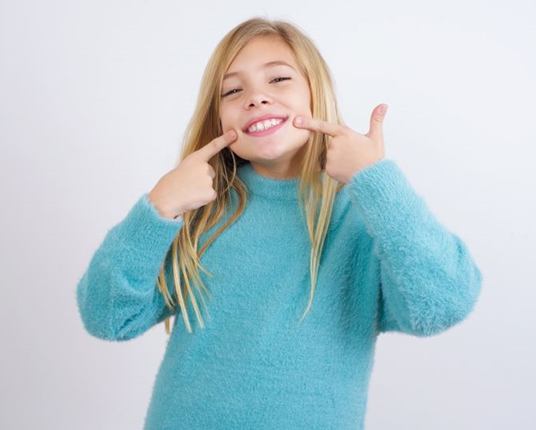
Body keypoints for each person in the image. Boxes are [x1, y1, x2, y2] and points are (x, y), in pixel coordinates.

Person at [76, 16, 483, 430]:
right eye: (233, 90)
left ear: (315, 94)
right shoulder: (202, 210)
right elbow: (108, 317)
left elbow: (443, 304)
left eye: (279, 79)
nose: (256, 98)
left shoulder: (362, 214)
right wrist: (158, 206)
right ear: (217, 119)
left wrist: (375, 180)